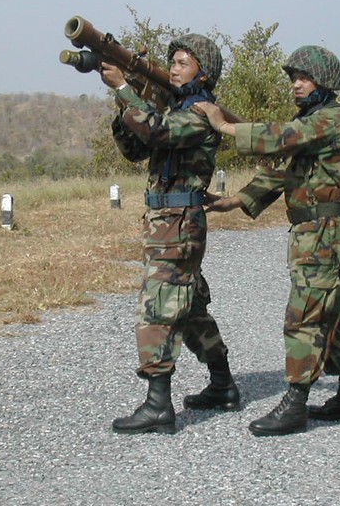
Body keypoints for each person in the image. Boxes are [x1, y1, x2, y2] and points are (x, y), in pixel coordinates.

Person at [192, 45, 340, 437]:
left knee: (304, 315)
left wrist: (223, 125)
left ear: (325, 82)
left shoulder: (331, 120)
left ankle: (296, 403)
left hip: (325, 233)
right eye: (293, 79)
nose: (296, 85)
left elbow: (282, 137)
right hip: (319, 233)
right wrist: (234, 201)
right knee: (334, 310)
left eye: (303, 78)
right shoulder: (314, 124)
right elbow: (286, 173)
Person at [99, 34, 240, 435]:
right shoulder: (173, 107)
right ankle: (223, 384)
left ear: (204, 72)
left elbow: (158, 132)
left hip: (179, 222)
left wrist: (127, 90)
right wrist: (125, 97)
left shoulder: (201, 112)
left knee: (157, 306)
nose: (174, 68)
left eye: (183, 63)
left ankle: (158, 404)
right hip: (166, 221)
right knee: (189, 307)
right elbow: (135, 146)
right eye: (172, 62)